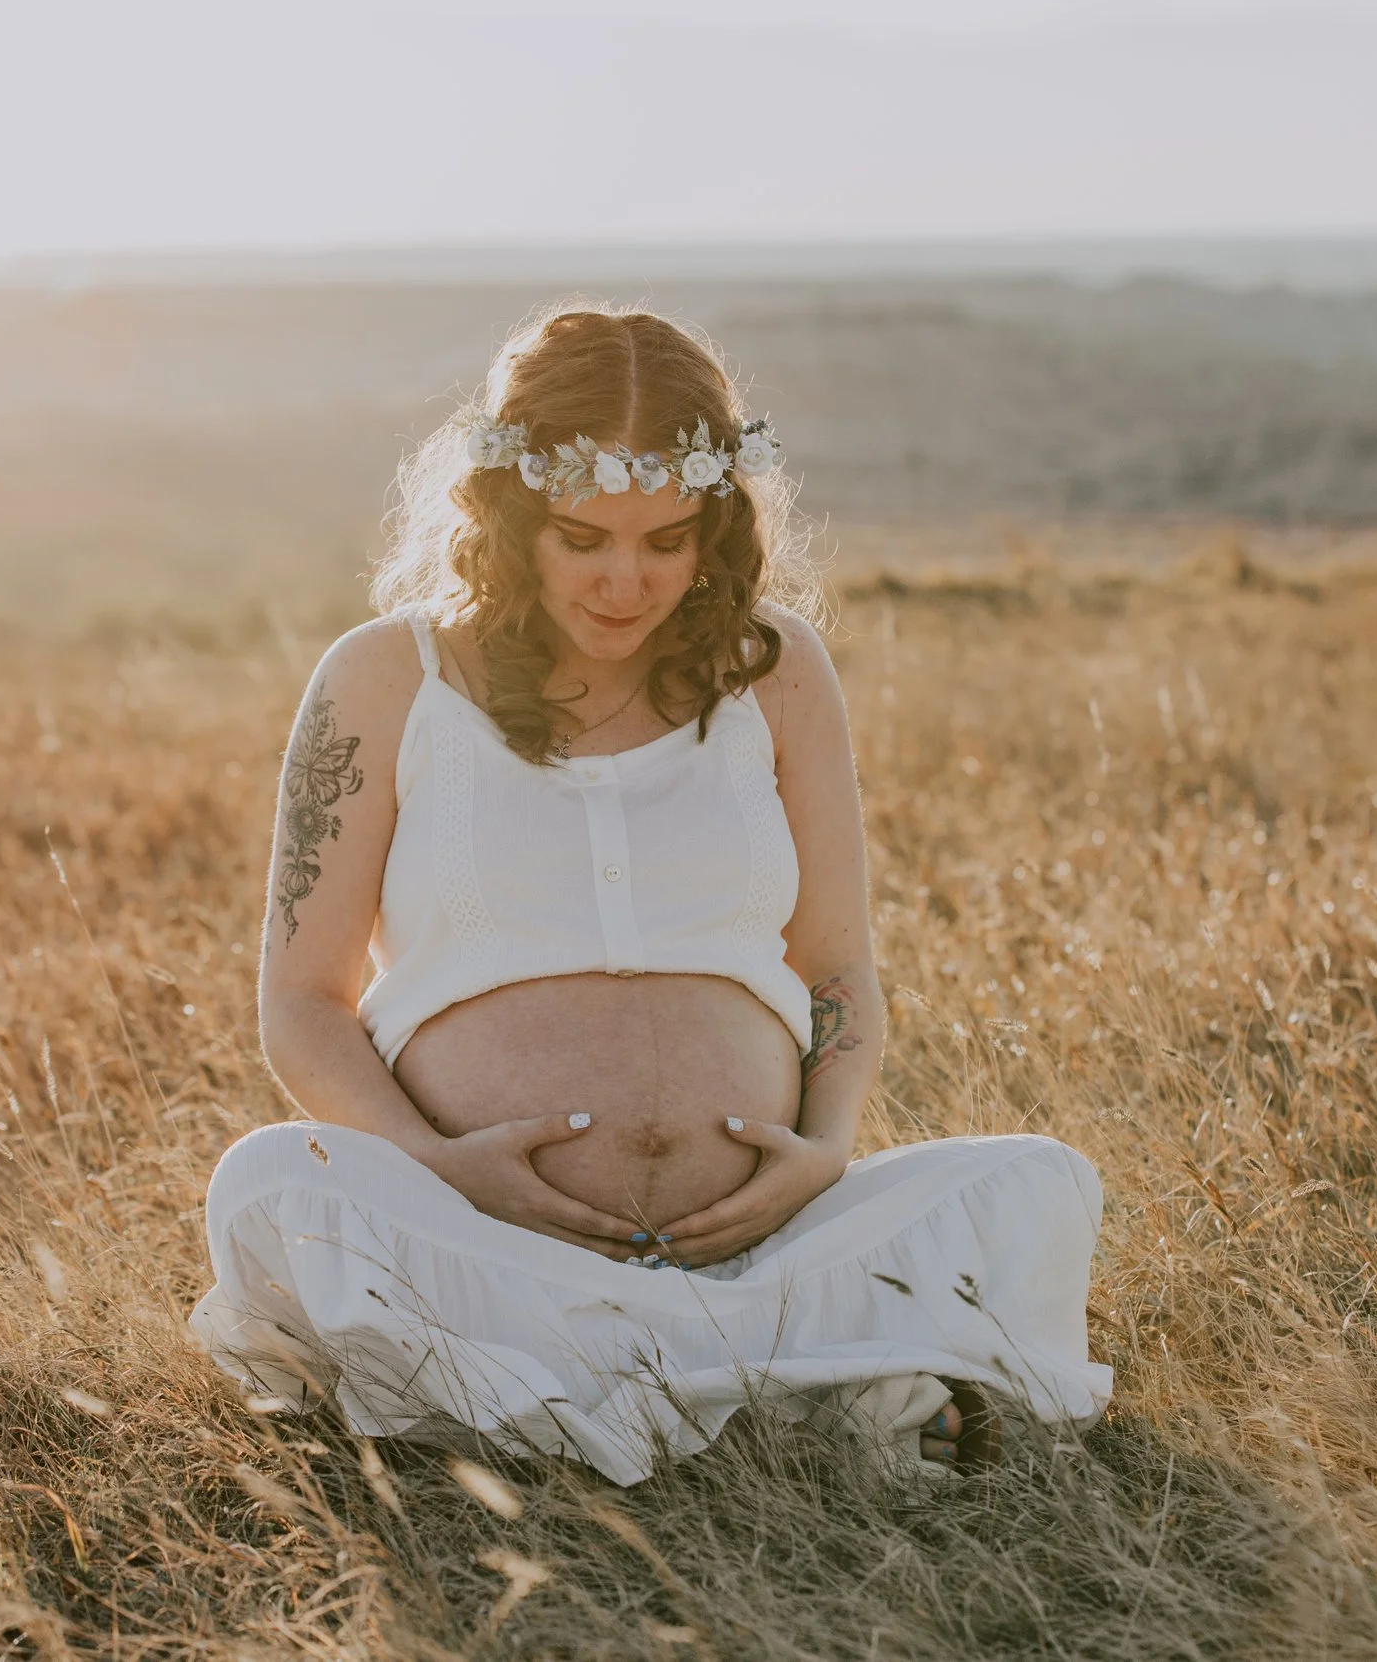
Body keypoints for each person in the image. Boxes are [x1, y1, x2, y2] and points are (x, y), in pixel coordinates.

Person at [190, 303, 1111, 1484]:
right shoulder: (383, 676)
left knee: (1040, 1180)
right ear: (507, 516)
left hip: (758, 1239)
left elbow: (837, 968)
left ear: (716, 529)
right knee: (273, 1185)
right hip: (482, 1235)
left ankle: (588, 1386)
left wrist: (823, 1154)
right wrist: (439, 1166)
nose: (626, 582)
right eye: (582, 538)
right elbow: (304, 1001)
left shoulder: (776, 673)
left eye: (668, 540)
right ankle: (789, 1383)